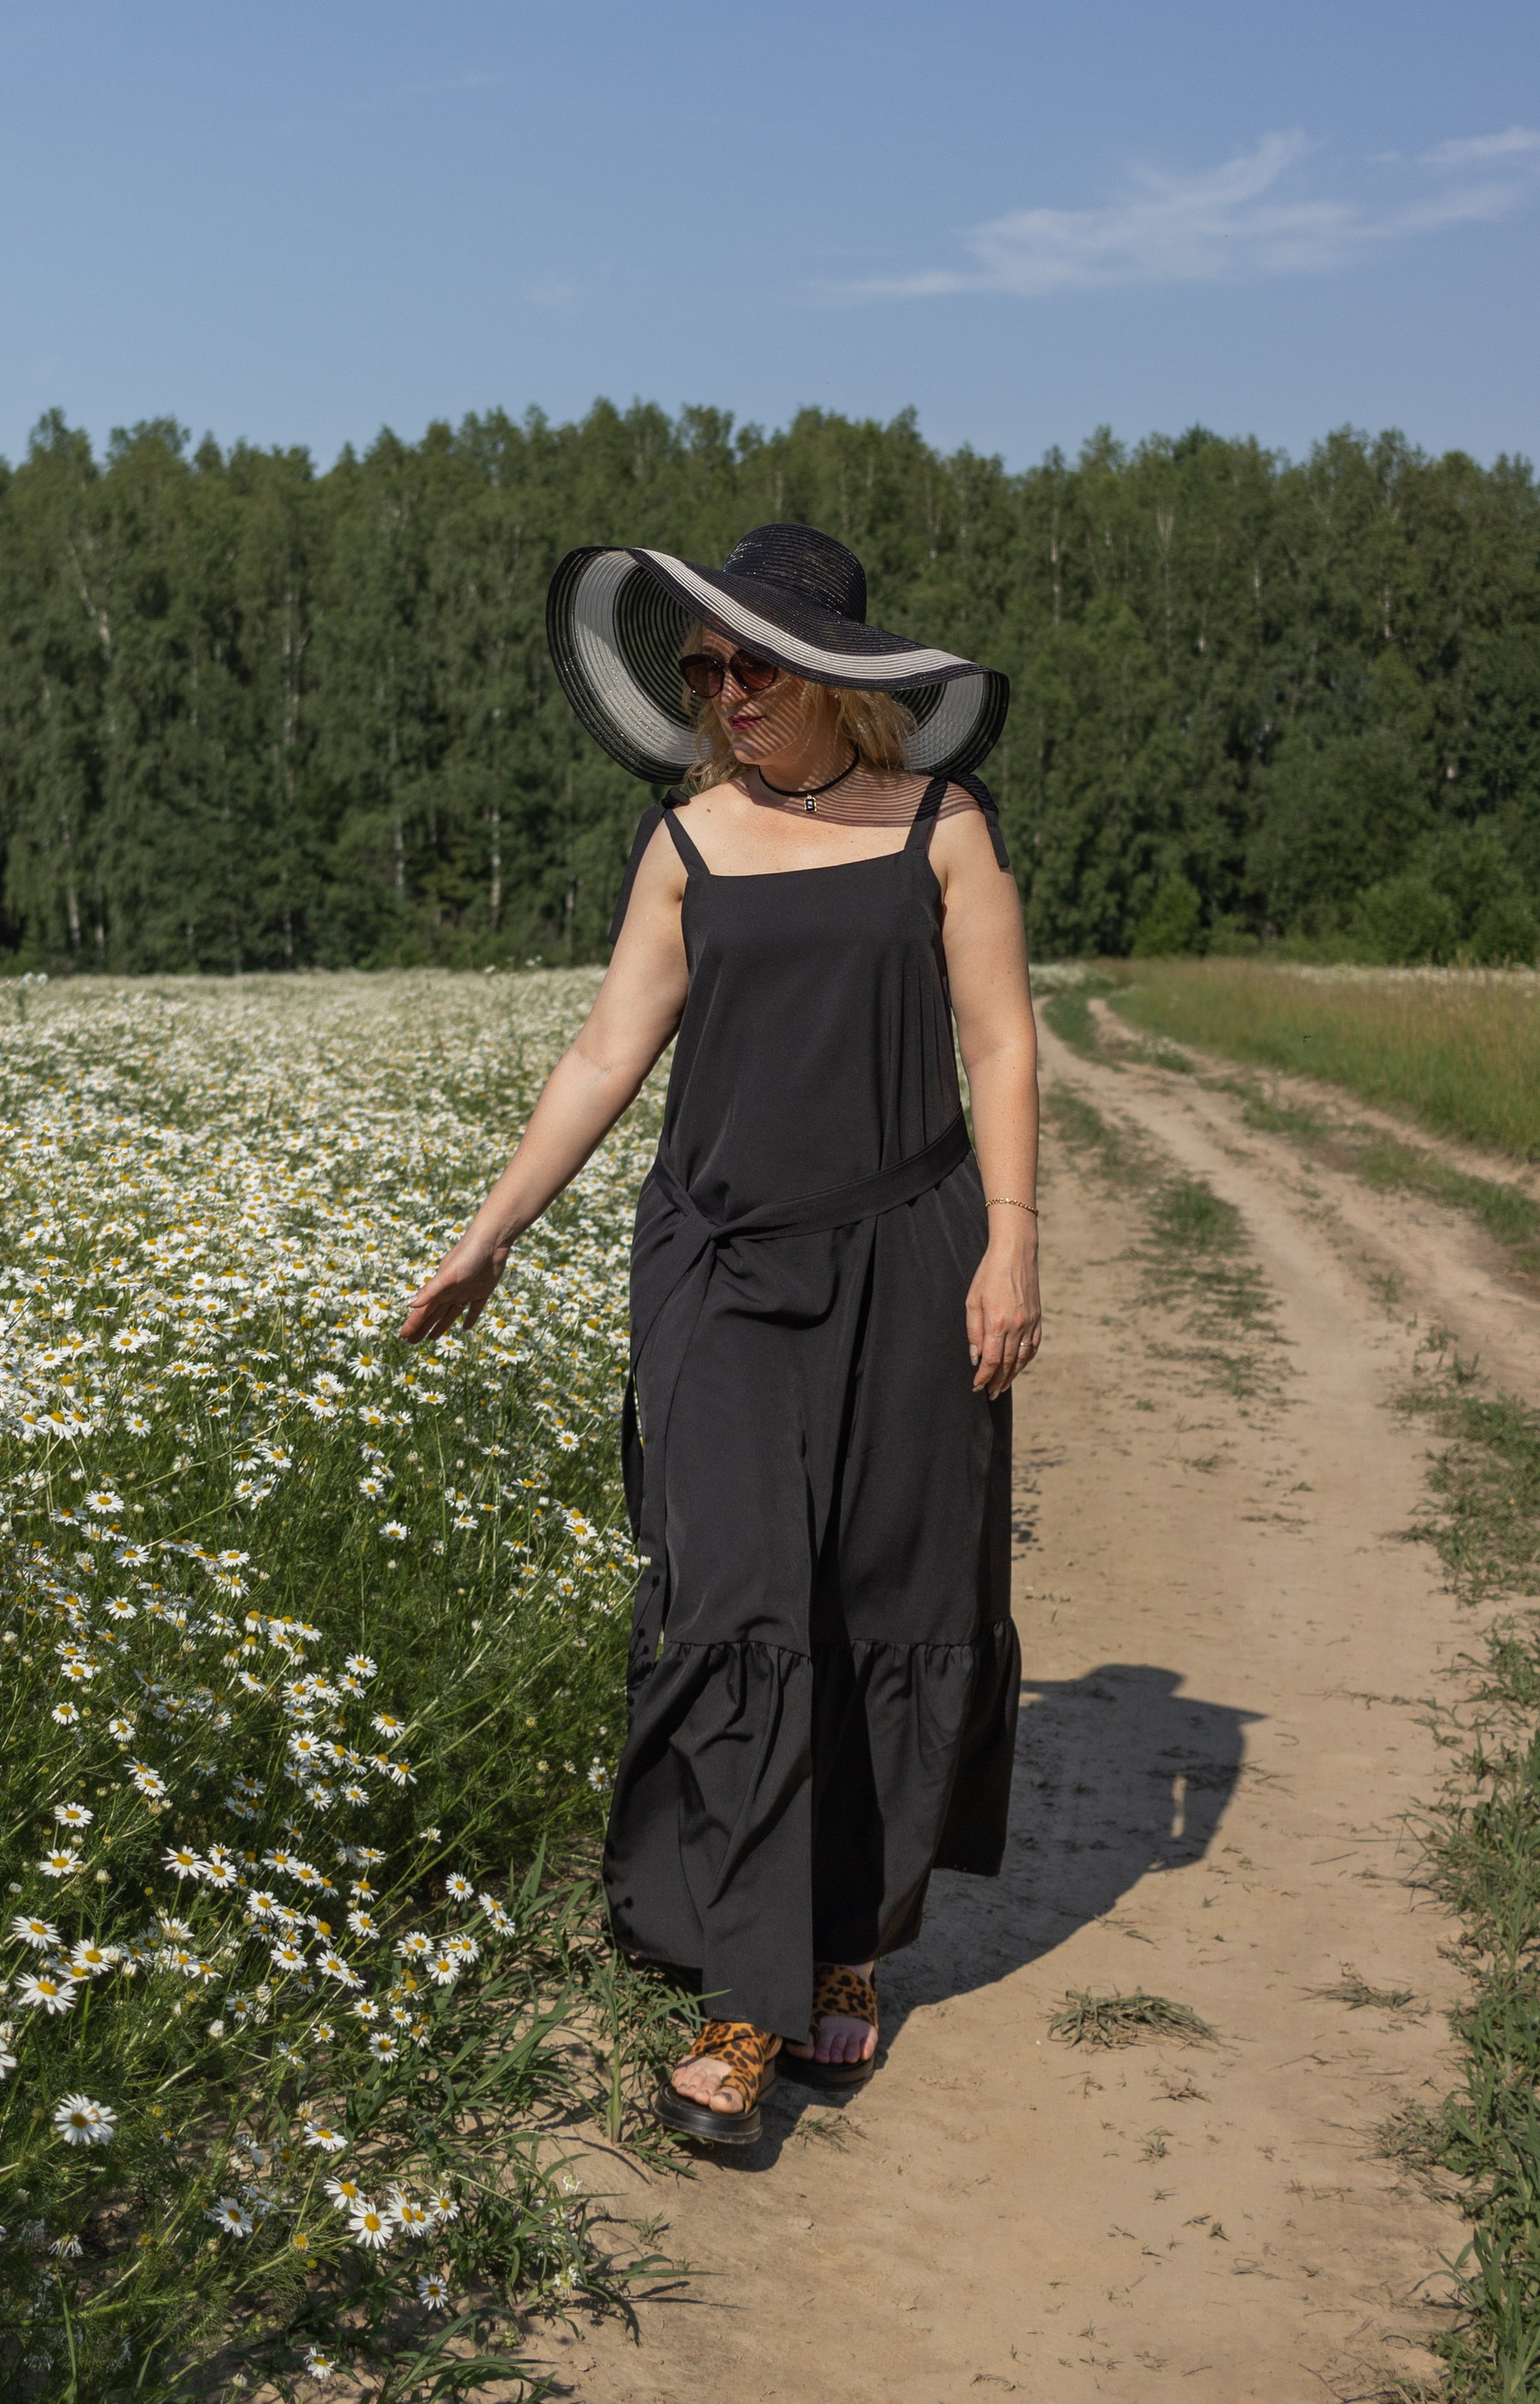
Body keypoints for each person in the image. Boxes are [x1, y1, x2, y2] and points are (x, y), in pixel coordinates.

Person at [398, 524, 1040, 2145]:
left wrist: (1014, 1246)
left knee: (889, 1601)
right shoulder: (686, 839)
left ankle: (847, 1952)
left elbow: (1002, 1045)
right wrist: (488, 1233)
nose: (725, 692)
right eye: (702, 668)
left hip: (910, 1247)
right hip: (719, 1268)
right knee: (742, 1604)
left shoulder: (945, 832)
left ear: (838, 676)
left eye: (753, 664)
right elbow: (607, 1055)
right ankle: (744, 2006)